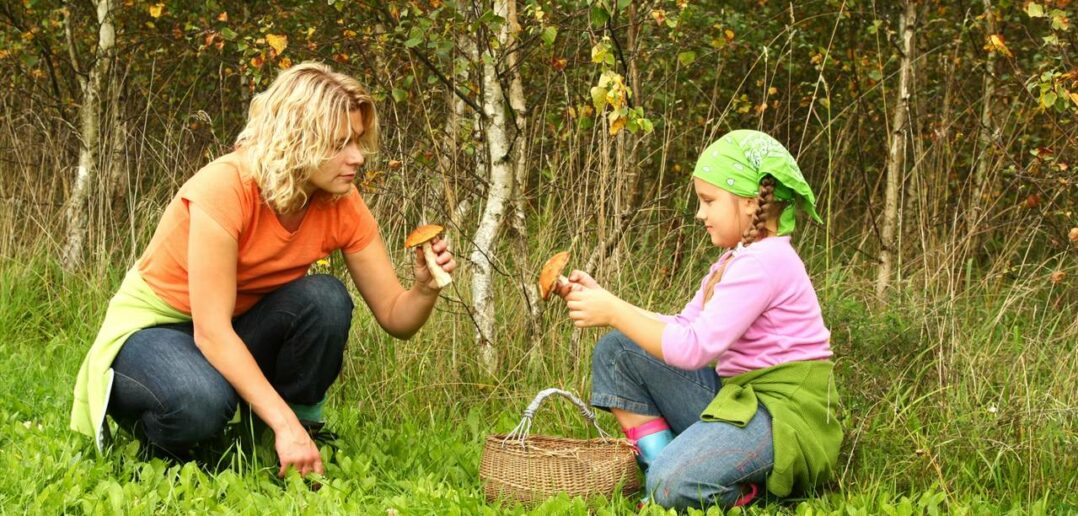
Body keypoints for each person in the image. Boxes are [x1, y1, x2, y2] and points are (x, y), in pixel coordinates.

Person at [69, 62, 456, 479]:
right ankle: (167, 440)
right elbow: (211, 331)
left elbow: (397, 318)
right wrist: (282, 423)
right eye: (341, 143)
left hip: (230, 327)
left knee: (325, 298)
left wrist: (423, 289)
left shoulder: (341, 201)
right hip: (155, 331)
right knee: (199, 400)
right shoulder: (225, 187)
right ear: (297, 139)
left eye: (358, 140)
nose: (358, 157)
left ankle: (293, 433)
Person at [559, 130, 842, 509]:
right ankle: (668, 465)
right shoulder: (735, 259)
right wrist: (608, 302)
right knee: (619, 350)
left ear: (747, 201)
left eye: (708, 200)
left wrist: (613, 310)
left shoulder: (763, 263)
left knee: (672, 486)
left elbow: (692, 349)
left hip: (783, 418)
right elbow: (684, 326)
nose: (700, 213)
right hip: (741, 397)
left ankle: (745, 488)